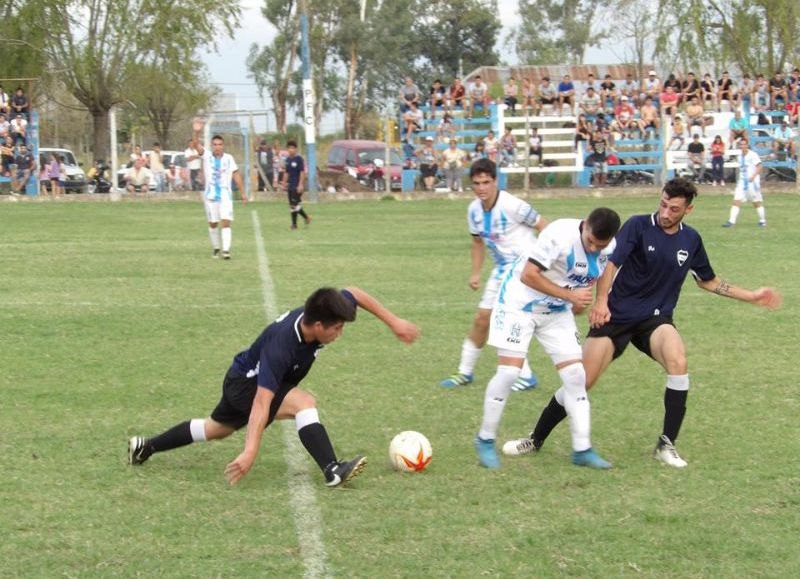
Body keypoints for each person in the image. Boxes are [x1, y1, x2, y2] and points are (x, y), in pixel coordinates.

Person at [511, 178, 782, 468]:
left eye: (674, 209)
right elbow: (610, 265)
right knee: (582, 381)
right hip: (616, 317)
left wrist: (751, 296)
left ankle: (666, 445)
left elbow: (709, 281)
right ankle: (536, 438)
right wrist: (601, 303)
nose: (666, 212)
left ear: (687, 210)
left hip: (655, 319)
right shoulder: (638, 226)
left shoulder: (691, 240)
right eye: (663, 204)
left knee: (678, 361)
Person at [128, 287, 421, 488]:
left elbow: (354, 292)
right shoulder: (282, 345)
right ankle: (333, 470)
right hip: (247, 386)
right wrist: (251, 450)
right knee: (304, 402)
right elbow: (260, 402)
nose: (340, 333)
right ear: (318, 325)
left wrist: (394, 322)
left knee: (215, 429)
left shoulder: (320, 314)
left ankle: (146, 446)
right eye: (337, 328)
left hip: (240, 374)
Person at [476, 208, 622, 469]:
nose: (593, 248)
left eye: (598, 246)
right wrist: (571, 297)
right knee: (509, 373)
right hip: (518, 305)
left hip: (555, 310)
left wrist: (598, 300)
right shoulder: (558, 235)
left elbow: (602, 273)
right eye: (589, 241)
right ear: (585, 224)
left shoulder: (608, 245)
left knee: (576, 376)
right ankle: (485, 440)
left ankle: (582, 450)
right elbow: (528, 275)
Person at [439, 158, 547, 391]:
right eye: (477, 183)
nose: (481, 188)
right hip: (501, 272)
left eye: (486, 182)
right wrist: (475, 273)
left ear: (495, 181)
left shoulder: (513, 205)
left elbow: (545, 227)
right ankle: (465, 372)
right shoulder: (473, 210)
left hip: (523, 270)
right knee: (482, 320)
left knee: (503, 320)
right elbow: (477, 242)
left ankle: (525, 375)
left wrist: (545, 263)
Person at [191, 117, 246, 259]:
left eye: (220, 144)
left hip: (225, 195)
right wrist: (196, 132)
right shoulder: (207, 156)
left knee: (226, 221)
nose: (217, 146)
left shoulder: (229, 158)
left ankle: (226, 251)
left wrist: (242, 192)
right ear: (212, 145)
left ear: (223, 146)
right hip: (210, 196)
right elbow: (196, 145)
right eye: (215, 144)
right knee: (213, 223)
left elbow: (236, 174)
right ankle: (216, 248)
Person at [723, 139, 766, 228]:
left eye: (744, 144)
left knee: (756, 202)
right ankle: (731, 221)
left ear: (747, 145)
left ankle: (762, 220)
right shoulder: (740, 157)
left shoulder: (753, 155)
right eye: (741, 145)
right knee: (736, 200)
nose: (742, 146)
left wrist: (753, 176)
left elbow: (759, 166)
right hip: (742, 183)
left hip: (752, 183)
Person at [281, 139, 311, 230]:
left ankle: (295, 224)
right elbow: (286, 173)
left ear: (296, 149)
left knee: (294, 204)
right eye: (289, 148)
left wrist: (301, 184)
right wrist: (284, 183)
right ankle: (305, 219)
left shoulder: (299, 159)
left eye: (293, 148)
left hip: (297, 185)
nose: (291, 150)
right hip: (291, 185)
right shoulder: (287, 160)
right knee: (292, 205)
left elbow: (302, 172)